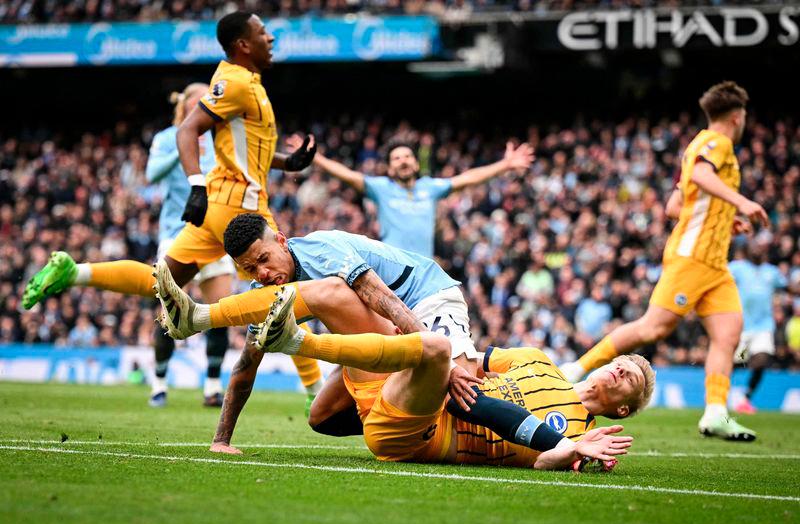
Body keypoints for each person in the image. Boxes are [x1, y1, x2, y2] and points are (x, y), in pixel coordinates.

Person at [20, 11, 324, 410]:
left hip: (222, 203)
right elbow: (187, 130)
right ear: (243, 44)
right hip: (240, 206)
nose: (272, 37)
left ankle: (75, 272)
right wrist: (195, 183)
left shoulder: (248, 83)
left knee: (163, 283)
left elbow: (248, 152)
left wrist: (288, 162)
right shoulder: (232, 81)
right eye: (263, 32)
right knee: (284, 288)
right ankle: (315, 390)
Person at [214, 284, 649, 471]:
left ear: (624, 408)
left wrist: (569, 452)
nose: (619, 366)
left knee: (434, 346)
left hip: (423, 433)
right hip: (413, 392)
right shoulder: (536, 360)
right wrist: (453, 373)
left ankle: (298, 343)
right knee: (333, 293)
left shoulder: (582, 435)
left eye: (629, 376)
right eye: (622, 361)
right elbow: (471, 360)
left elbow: (543, 461)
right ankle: (210, 314)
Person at [560, 81, 769, 441]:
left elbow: (675, 206)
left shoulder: (705, 147)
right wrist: (741, 202)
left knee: (728, 334)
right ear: (737, 117)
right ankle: (573, 369)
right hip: (693, 256)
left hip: (714, 263)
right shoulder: (715, 143)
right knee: (653, 327)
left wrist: (722, 217)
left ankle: (716, 412)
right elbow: (702, 176)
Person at [153, 213, 483, 413]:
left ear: (281, 241)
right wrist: (222, 439)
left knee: (462, 386)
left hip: (426, 296)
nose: (263, 274)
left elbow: (384, 298)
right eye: (251, 269)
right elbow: (247, 361)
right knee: (322, 416)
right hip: (388, 326)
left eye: (265, 259)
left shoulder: (321, 249)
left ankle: (488, 370)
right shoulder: (265, 294)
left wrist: (444, 362)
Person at [307, 139, 534, 257]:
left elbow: (468, 178)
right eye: (396, 158)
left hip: (424, 270)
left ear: (416, 163)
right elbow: (347, 175)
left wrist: (505, 165)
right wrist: (316, 158)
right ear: (389, 167)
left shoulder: (430, 188)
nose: (403, 161)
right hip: (393, 270)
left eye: (407, 156)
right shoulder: (380, 187)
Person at [728, 242, 787, 414]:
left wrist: (780, 306)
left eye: (760, 247)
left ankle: (746, 398)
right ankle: (717, 392)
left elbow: (785, 287)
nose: (757, 249)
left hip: (763, 327)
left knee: (762, 360)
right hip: (742, 327)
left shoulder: (771, 272)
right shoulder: (738, 268)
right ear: (746, 251)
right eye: (754, 246)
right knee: (735, 362)